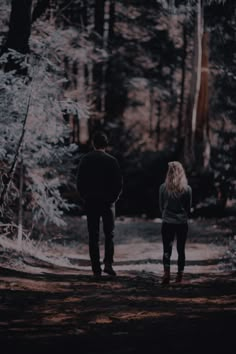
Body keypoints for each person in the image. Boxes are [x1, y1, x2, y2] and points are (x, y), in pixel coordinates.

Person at [77, 132, 123, 278]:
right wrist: (113, 199)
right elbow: (118, 183)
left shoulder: (86, 159)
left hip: (91, 201)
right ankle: (108, 264)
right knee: (109, 234)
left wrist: (85, 197)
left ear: (93, 144)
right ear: (106, 145)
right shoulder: (112, 161)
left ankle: (96, 268)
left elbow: (79, 182)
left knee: (93, 235)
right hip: (108, 203)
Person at [159, 161, 192, 284]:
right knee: (181, 249)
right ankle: (179, 276)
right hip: (182, 223)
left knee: (166, 249)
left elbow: (161, 206)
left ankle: (166, 274)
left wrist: (167, 214)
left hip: (167, 222)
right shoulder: (187, 189)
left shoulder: (162, 188)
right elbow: (188, 208)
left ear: (169, 173)